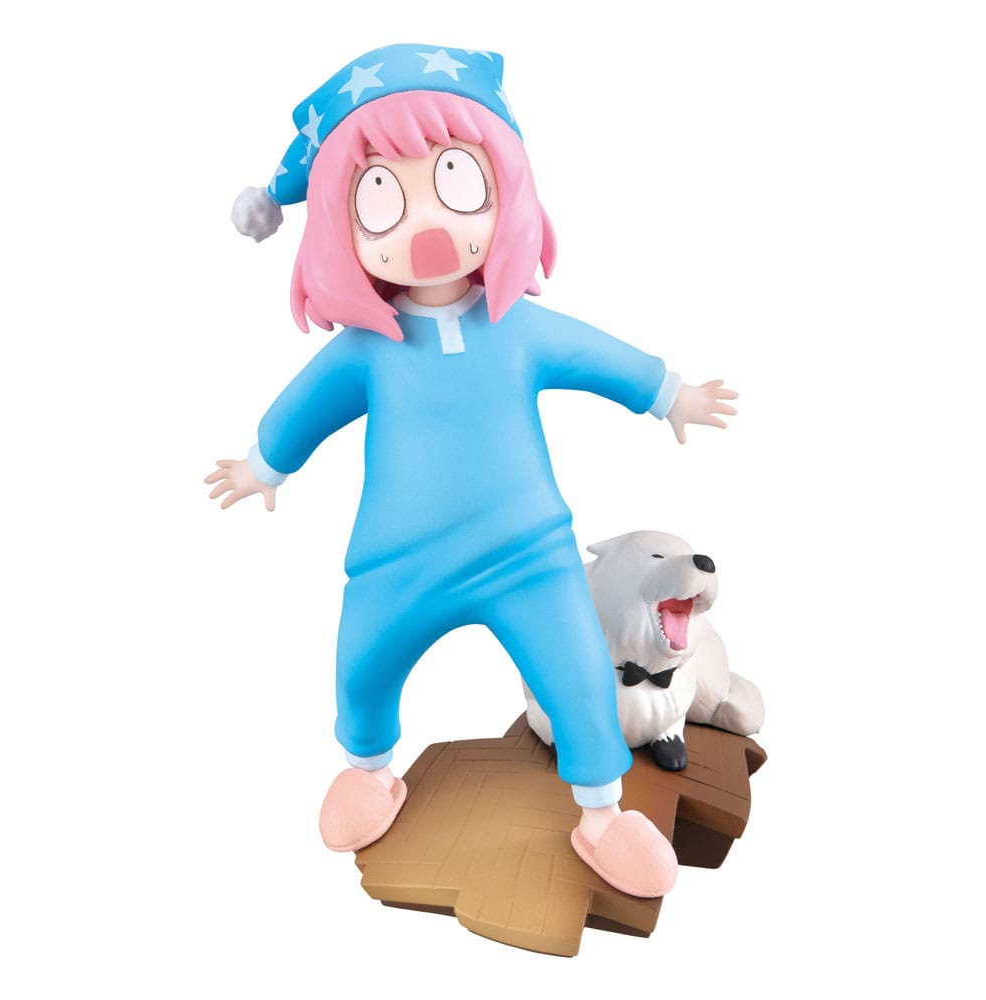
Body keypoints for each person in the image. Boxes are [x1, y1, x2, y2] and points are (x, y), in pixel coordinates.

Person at [208, 44, 736, 898]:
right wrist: (265, 464)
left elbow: (598, 356)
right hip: (396, 563)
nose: (424, 225)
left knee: (577, 675)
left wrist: (668, 392)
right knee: (362, 666)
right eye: (382, 196)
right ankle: (370, 771)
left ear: (505, 189)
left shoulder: (518, 329)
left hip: (529, 554)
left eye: (456, 181)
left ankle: (602, 814)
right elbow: (304, 404)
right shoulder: (367, 351)